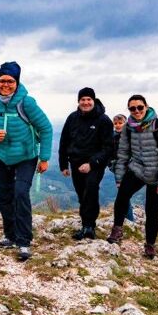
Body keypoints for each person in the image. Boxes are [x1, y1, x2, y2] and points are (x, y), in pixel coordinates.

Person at [0, 61, 53, 262]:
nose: (5, 85)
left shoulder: (26, 103)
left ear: (17, 82)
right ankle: (10, 235)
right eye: (1, 81)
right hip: (4, 156)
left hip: (26, 157)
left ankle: (24, 241)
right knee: (4, 197)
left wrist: (45, 158)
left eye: (10, 81)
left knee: (21, 194)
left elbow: (46, 128)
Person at [109, 95, 158, 259]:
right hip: (137, 170)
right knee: (122, 197)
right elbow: (123, 153)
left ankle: (150, 245)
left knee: (152, 212)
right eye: (132, 108)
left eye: (140, 107)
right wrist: (119, 178)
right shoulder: (128, 127)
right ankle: (117, 229)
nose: (137, 111)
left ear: (146, 106)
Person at [59, 88, 114, 240]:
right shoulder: (72, 118)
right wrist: (63, 164)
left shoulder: (103, 120)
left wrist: (92, 163)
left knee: (91, 190)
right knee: (81, 194)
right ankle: (85, 225)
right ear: (78, 101)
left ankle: (90, 227)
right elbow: (64, 141)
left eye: (89, 99)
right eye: (82, 99)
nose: (86, 102)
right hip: (75, 163)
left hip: (95, 164)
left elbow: (108, 147)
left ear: (94, 101)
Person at [108, 113, 134, 222]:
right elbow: (109, 153)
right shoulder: (112, 137)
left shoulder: (129, 136)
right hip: (117, 169)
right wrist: (111, 164)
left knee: (124, 194)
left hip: (128, 168)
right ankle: (127, 217)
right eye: (115, 123)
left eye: (120, 123)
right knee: (123, 194)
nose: (118, 125)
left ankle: (128, 218)